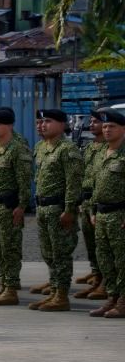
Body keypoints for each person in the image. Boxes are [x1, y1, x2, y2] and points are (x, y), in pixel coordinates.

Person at [30, 108, 84, 312]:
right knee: (49, 253)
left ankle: (61, 295)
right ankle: (53, 291)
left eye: (48, 121)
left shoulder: (67, 150)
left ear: (62, 125)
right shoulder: (41, 147)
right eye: (41, 122)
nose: (43, 125)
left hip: (59, 208)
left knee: (61, 254)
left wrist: (70, 209)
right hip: (43, 207)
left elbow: (73, 182)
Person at [0, 107, 33, 306]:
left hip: (10, 206)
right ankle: (3, 284)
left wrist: (22, 206)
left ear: (9, 125)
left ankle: (11, 289)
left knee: (10, 250)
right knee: (0, 250)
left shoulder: (16, 149)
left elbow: (24, 180)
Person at [86, 107, 125, 319]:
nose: (107, 130)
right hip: (101, 214)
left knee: (122, 261)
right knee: (105, 261)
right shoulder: (101, 153)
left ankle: (123, 301)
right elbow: (95, 185)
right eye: (106, 126)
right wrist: (92, 211)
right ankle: (111, 297)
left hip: (119, 214)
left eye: (113, 126)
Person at [76, 108, 109, 299]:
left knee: (104, 245)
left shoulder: (110, 149)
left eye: (97, 122)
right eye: (94, 121)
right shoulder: (90, 148)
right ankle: (97, 277)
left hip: (102, 202)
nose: (93, 125)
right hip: (88, 201)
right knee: (91, 243)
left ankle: (106, 282)